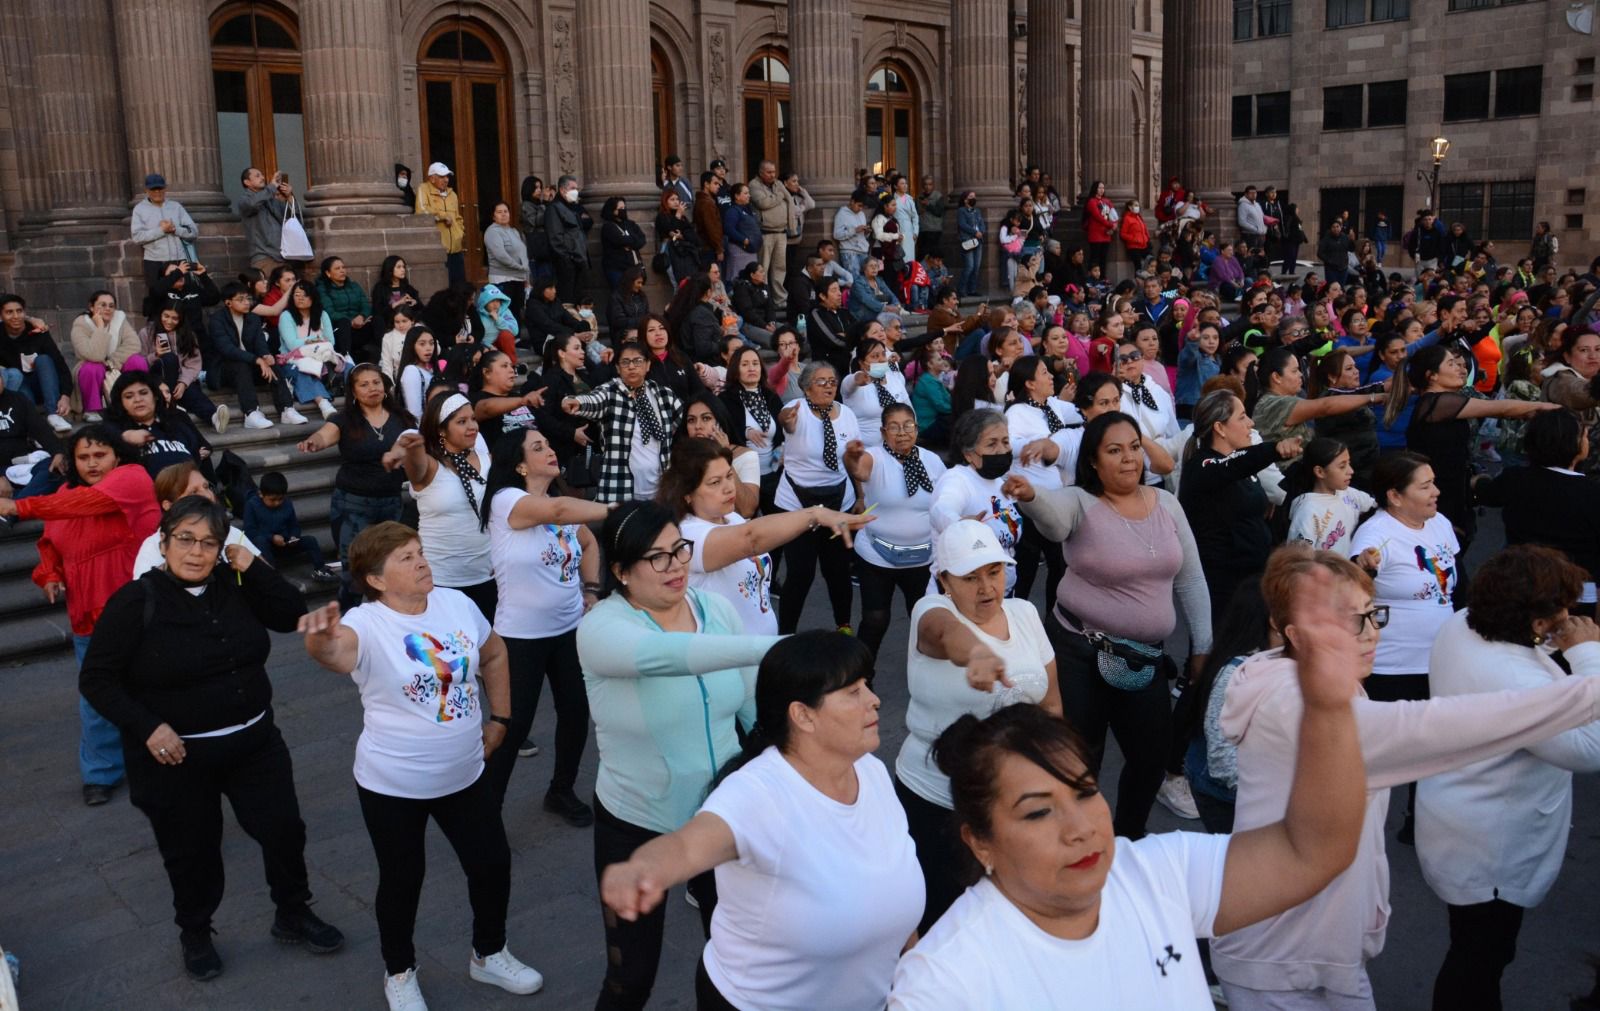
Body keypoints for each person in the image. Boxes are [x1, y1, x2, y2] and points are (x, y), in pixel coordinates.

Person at [889, 552, 1373, 1010]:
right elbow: (940, 628)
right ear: (980, 843)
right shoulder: (943, 982)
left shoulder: (1156, 873)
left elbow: (1312, 854)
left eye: (1084, 791)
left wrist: (1328, 709)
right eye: (1037, 811)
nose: (1080, 827)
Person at [1212, 544, 1600, 1010]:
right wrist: (1591, 681)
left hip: (1317, 951)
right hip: (1277, 960)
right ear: (1295, 633)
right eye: (1352, 620)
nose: (1372, 633)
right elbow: (1435, 728)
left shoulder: (1316, 681)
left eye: (1373, 614)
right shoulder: (1297, 708)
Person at [79, 496, 342, 980]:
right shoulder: (135, 601)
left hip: (254, 742)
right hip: (180, 757)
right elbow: (96, 679)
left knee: (284, 829)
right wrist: (148, 726)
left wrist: (252, 565)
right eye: (185, 539)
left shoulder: (234, 582)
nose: (197, 552)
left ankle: (293, 912)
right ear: (162, 542)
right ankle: (196, 933)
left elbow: (288, 615)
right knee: (193, 850)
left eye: (209, 543)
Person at [601, 631, 922, 1011]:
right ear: (802, 715)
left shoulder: (870, 772)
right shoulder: (755, 796)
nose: (874, 700)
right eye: (853, 692)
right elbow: (690, 844)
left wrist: (913, 979)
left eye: (866, 686)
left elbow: (896, 897)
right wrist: (643, 868)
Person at [297, 522, 542, 1010]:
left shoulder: (456, 603)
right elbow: (335, 653)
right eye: (406, 558)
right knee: (403, 879)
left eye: (420, 551)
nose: (421, 562)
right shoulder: (366, 624)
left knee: (492, 865)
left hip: (465, 773)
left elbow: (494, 653)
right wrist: (318, 639)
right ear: (377, 580)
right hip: (393, 784)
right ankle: (400, 972)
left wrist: (501, 718)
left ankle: (489, 953)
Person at [576, 501, 784, 1010]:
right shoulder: (602, 629)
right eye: (658, 558)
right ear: (621, 572)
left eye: (680, 550)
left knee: (737, 965)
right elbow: (670, 658)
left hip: (721, 816)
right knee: (632, 977)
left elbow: (755, 708)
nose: (677, 566)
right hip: (637, 819)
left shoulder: (718, 611)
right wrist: (777, 648)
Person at [1009, 411, 1213, 839]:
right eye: (1114, 451)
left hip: (1145, 657)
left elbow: (1191, 578)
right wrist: (1030, 497)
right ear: (1094, 462)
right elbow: (1054, 518)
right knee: (1080, 758)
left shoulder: (1168, 505)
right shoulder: (1079, 501)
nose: (1128, 459)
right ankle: (1077, 841)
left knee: (1151, 757)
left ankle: (1128, 840)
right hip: (1079, 652)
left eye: (1135, 448)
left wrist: (1202, 647)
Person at [1419, 545, 1600, 1009]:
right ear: (1538, 621)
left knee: (1474, 950)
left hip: (1456, 813)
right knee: (1479, 960)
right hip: (1492, 844)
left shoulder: (1462, 624)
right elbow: (1589, 749)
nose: (1570, 613)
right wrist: (1588, 657)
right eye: (1563, 606)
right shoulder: (1517, 682)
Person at [895, 519, 1061, 935]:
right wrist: (976, 655)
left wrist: (1058, 776)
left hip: (1010, 796)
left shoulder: (1024, 613)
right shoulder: (930, 611)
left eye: (994, 571)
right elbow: (944, 634)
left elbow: (1052, 704)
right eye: (970, 577)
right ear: (944, 580)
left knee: (1004, 915)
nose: (986, 588)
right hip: (935, 798)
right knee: (939, 917)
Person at [0, 425, 160, 805]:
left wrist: (18, 505)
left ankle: (167, 756)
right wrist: (50, 572)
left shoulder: (131, 478)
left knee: (153, 683)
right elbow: (50, 541)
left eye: (99, 454)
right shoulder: (64, 494)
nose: (91, 463)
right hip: (84, 610)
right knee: (96, 695)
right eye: (83, 457)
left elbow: (87, 505)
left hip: (134, 604)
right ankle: (101, 773)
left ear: (117, 455)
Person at [476, 428, 607, 824]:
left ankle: (561, 790)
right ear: (518, 464)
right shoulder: (506, 501)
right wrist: (618, 509)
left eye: (550, 444)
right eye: (538, 447)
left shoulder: (555, 502)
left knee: (574, 712)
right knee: (513, 726)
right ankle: (486, 811)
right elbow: (559, 514)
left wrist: (592, 588)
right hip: (521, 637)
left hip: (569, 629)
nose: (550, 450)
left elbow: (587, 544)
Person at [663, 436, 870, 640]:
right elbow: (751, 539)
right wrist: (816, 514)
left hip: (761, 653)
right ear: (687, 494)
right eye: (715, 482)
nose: (728, 487)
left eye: (729, 476)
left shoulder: (731, 517)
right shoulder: (687, 536)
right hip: (731, 660)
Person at [1404, 345, 1557, 549]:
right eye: (1451, 364)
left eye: (1460, 363)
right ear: (1431, 376)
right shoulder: (1437, 402)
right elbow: (1499, 409)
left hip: (1450, 488)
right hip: (1440, 493)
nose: (1461, 368)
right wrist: (1542, 407)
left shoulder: (1441, 401)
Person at [294, 363, 413, 609]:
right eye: (364, 384)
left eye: (376, 382)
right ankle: (350, 630)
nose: (372, 388)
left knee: (392, 568)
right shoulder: (345, 419)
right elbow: (326, 433)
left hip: (391, 501)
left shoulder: (402, 418)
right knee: (354, 573)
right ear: (353, 391)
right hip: (353, 505)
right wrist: (314, 441)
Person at [1179, 390, 1302, 618]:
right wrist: (1274, 449)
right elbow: (1235, 465)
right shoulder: (1202, 465)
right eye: (1242, 416)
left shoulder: (1242, 466)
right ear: (1220, 428)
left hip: (1253, 581)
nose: (1251, 423)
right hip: (1222, 588)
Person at [840, 403, 946, 658]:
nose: (902, 432)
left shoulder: (932, 461)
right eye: (894, 427)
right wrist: (851, 455)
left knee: (924, 619)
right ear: (883, 431)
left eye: (908, 425)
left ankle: (929, 674)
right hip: (877, 555)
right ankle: (862, 675)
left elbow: (946, 500)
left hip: (924, 557)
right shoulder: (875, 457)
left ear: (917, 429)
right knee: (875, 620)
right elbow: (859, 469)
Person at [382, 393, 497, 623]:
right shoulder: (430, 465)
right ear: (442, 430)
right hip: (440, 581)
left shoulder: (486, 458)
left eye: (473, 419)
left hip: (487, 576)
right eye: (462, 422)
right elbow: (413, 446)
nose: (472, 426)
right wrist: (407, 449)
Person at [1475, 409, 1600, 607]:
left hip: (1519, 583)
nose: (1588, 441)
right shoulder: (1592, 493)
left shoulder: (1515, 478)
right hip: (1576, 593)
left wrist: (1477, 481)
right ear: (1574, 444)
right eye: (1584, 436)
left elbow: (1486, 494)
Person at [774, 362, 863, 634]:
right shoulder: (795, 410)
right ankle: (786, 634)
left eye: (832, 381)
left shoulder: (847, 414)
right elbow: (785, 422)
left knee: (837, 571)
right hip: (796, 500)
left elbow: (851, 460)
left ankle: (844, 625)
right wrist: (787, 421)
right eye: (821, 381)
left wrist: (860, 494)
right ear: (806, 387)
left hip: (839, 497)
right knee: (801, 574)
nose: (829, 386)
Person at [561, 344, 685, 503]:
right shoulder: (610, 392)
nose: (632, 366)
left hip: (662, 490)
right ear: (618, 368)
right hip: (620, 491)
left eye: (637, 361)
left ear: (648, 365)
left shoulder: (663, 394)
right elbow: (594, 401)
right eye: (625, 362)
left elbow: (678, 418)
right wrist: (575, 401)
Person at [208, 282, 301, 429]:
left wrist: (265, 355)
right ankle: (251, 413)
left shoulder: (253, 318)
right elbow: (227, 349)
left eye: (248, 298)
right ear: (228, 303)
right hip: (224, 369)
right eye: (241, 299)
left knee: (271, 362)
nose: (247, 303)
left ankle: (287, 409)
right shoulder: (217, 320)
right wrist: (256, 359)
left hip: (250, 366)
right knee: (241, 365)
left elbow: (259, 342)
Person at [103, 371, 212, 477]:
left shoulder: (176, 423)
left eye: (143, 393)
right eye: (129, 396)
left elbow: (195, 457)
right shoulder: (114, 431)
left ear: (155, 395)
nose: (137, 399)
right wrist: (125, 437)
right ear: (121, 403)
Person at [138, 305, 228, 434]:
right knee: (169, 358)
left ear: (180, 320)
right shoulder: (146, 332)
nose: (169, 321)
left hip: (179, 377)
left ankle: (214, 417)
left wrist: (183, 382)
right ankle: (172, 405)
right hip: (156, 378)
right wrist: (156, 355)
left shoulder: (188, 335)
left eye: (175, 318)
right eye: (166, 316)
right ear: (160, 315)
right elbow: (140, 362)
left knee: (189, 389)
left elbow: (193, 364)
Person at [1285, 437, 1376, 557]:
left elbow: (1377, 506)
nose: (1351, 471)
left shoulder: (1348, 493)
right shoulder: (1308, 511)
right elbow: (1298, 561)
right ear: (1320, 472)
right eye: (1342, 466)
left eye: (1349, 463)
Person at [69, 290, 149, 421]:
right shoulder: (81, 324)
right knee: (93, 367)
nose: (108, 309)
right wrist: (100, 327)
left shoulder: (119, 319)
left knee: (137, 361)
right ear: (91, 307)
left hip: (115, 363)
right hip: (91, 368)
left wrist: (112, 362)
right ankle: (92, 410)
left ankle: (139, 402)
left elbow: (134, 344)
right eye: (103, 305)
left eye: (111, 306)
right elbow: (94, 355)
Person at [1, 293, 73, 433]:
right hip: (19, 388)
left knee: (44, 359)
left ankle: (53, 414)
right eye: (9, 312)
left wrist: (65, 396)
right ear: (1, 316)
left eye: (19, 311)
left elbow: (60, 366)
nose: (16, 316)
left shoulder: (38, 332)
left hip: (44, 386)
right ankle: (33, 422)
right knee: (14, 374)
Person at [244, 471, 335, 579]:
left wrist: (294, 536)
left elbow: (294, 525)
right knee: (260, 540)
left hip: (284, 544)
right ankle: (273, 575)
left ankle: (320, 569)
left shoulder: (287, 504)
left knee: (310, 540)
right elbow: (249, 531)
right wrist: (271, 537)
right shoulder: (252, 505)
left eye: (280, 499)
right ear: (261, 494)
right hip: (264, 547)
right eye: (272, 500)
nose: (277, 503)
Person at [275, 282, 340, 420]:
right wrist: (315, 339)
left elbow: (331, 342)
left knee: (349, 367)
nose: (300, 298)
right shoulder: (286, 316)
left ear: (313, 297)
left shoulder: (322, 315)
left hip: (320, 358)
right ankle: (323, 404)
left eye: (305, 295)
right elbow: (292, 345)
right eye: (297, 295)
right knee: (304, 370)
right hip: (292, 360)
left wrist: (311, 342)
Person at [131, 173, 198, 300]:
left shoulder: (176, 206)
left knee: (186, 297)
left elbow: (193, 232)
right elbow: (137, 237)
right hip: (155, 262)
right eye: (153, 189)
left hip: (180, 259)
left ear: (165, 188)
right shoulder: (139, 209)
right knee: (159, 300)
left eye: (160, 189)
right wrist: (161, 230)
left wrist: (175, 229)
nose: (157, 192)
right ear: (146, 190)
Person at [839, 337, 912, 448]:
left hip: (900, 444)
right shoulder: (855, 386)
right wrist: (858, 377)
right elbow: (849, 383)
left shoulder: (893, 378)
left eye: (883, 355)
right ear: (862, 363)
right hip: (868, 449)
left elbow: (909, 409)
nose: (881, 360)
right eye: (874, 356)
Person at [466, 349, 542, 454]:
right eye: (504, 366)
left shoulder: (518, 397)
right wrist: (522, 401)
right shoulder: (476, 399)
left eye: (511, 366)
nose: (511, 370)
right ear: (487, 373)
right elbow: (487, 408)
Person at [234, 167, 294, 273]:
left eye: (262, 175)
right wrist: (272, 187)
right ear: (247, 182)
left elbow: (290, 218)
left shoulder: (271, 198)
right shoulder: (244, 200)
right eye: (257, 176)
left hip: (283, 255)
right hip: (264, 257)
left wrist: (289, 197)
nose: (262, 178)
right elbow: (253, 204)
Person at [415, 162, 466, 286]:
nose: (446, 180)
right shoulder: (423, 189)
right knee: (442, 288)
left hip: (456, 249)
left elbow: (458, 217)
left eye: (447, 176)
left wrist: (460, 233)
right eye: (442, 177)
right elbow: (422, 211)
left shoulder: (452, 194)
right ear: (432, 178)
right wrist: (443, 216)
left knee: (459, 287)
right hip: (438, 248)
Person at [315, 257, 373, 360]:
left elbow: (365, 305)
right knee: (343, 322)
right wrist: (351, 321)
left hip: (360, 325)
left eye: (343, 267)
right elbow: (329, 312)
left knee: (378, 321)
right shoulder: (322, 289)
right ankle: (346, 358)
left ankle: (381, 356)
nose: (342, 270)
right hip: (339, 329)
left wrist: (362, 316)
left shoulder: (354, 286)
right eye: (337, 268)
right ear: (328, 273)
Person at [368, 256, 423, 340]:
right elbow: (377, 310)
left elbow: (420, 307)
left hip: (407, 320)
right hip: (389, 320)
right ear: (390, 269)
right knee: (378, 320)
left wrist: (414, 302)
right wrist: (397, 304)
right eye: (399, 267)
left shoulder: (407, 287)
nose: (403, 269)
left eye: (403, 267)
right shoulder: (380, 288)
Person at [393, 325, 439, 421]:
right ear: (412, 346)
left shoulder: (430, 370)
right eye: (422, 344)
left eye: (431, 343)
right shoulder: (411, 371)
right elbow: (415, 412)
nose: (428, 348)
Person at [956, 191, 984, 298]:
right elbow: (962, 224)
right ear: (965, 200)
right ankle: (961, 289)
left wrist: (981, 231)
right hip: (968, 240)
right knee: (969, 266)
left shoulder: (977, 211)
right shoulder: (961, 211)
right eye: (971, 197)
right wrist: (974, 232)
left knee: (976, 267)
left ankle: (972, 289)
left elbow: (981, 223)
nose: (973, 198)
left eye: (974, 196)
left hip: (978, 241)